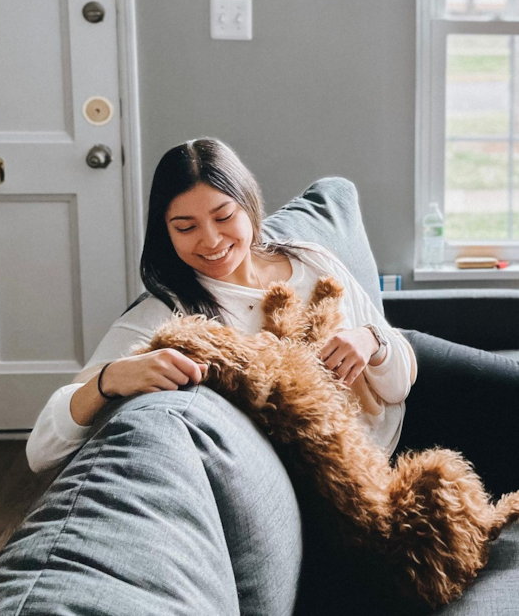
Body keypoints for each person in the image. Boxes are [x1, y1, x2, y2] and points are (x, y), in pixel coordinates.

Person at [26, 138, 416, 474]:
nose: (210, 240)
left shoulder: (310, 260)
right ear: (166, 233)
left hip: (397, 435)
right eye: (185, 227)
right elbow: (41, 450)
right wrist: (109, 379)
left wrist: (370, 340)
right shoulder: (169, 314)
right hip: (335, 480)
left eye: (224, 216)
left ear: (248, 206)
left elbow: (399, 384)